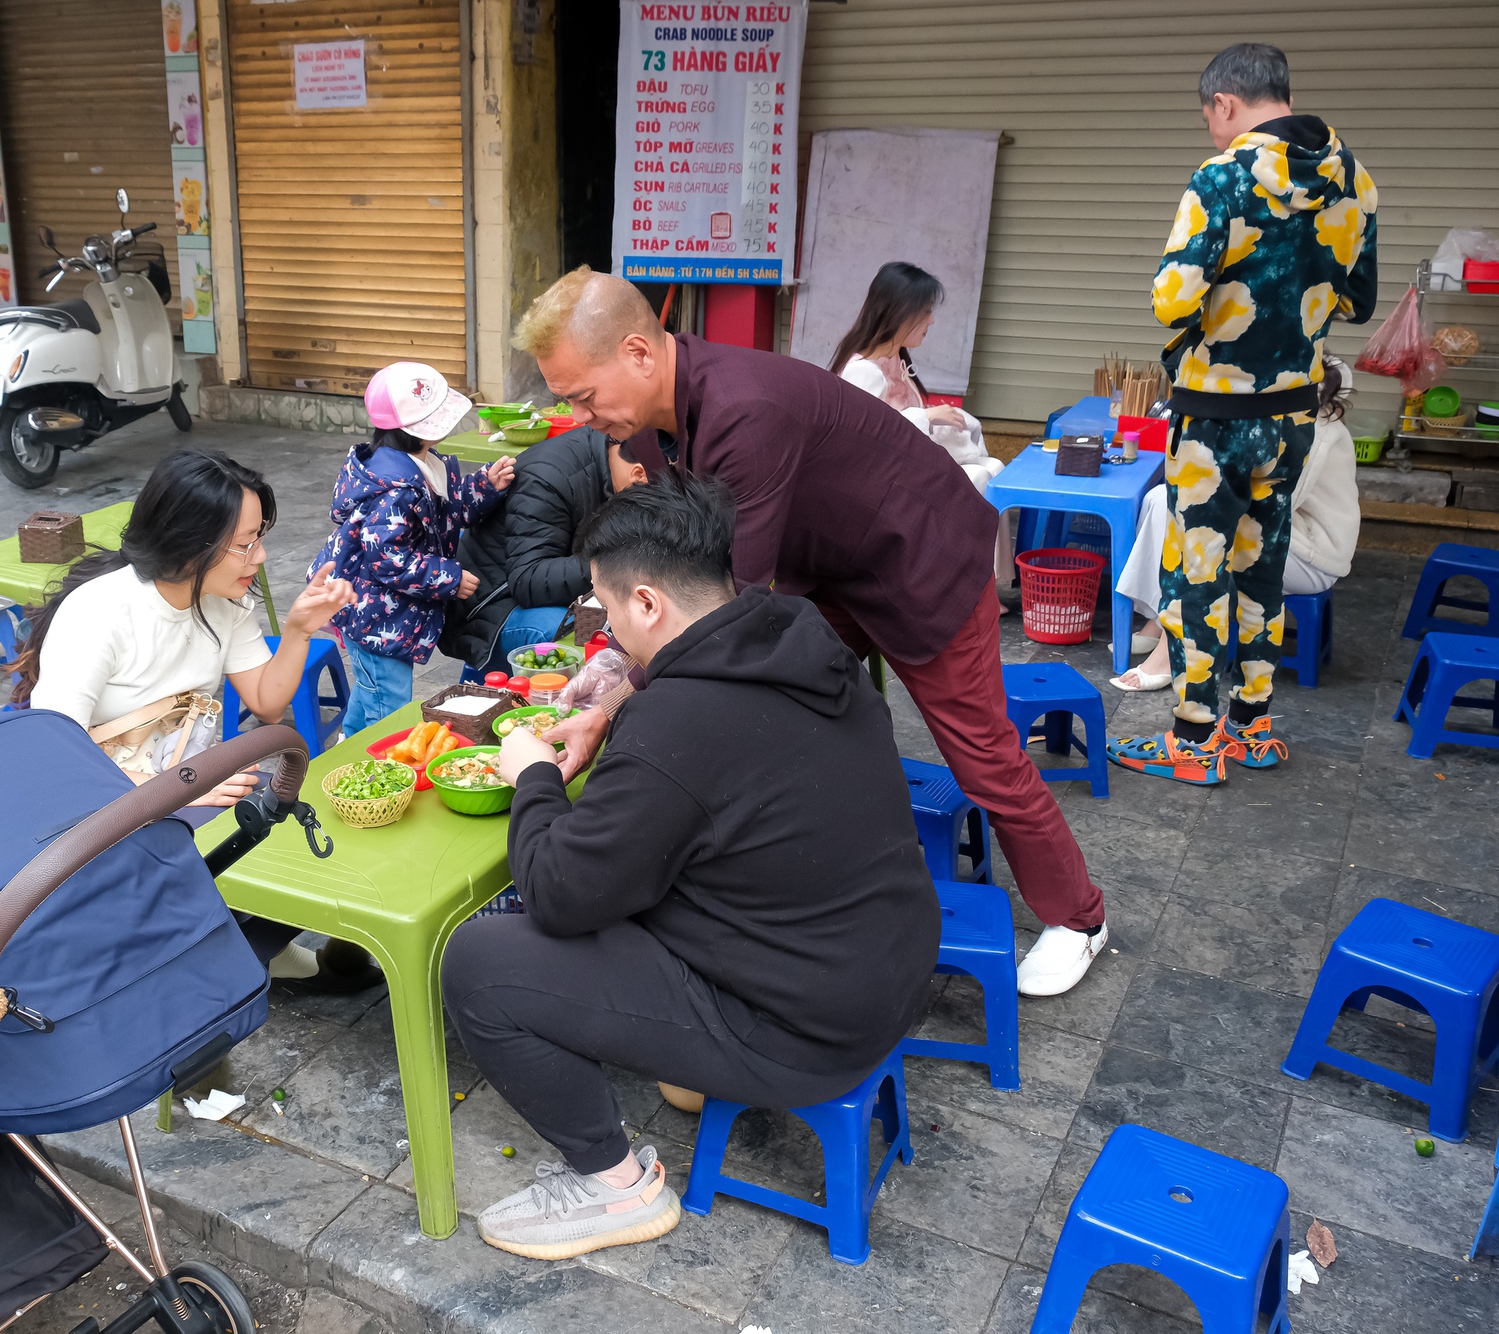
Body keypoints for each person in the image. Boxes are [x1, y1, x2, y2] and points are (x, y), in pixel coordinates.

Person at [514, 266, 1110, 997]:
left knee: (980, 752)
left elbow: (716, 611)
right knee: (783, 711)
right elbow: (668, 566)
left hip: (921, 557)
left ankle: (1080, 918)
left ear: (638, 353)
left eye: (582, 395)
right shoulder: (649, 424)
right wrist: (613, 659)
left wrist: (610, 707)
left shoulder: (744, 411)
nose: (581, 415)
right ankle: (805, 866)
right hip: (828, 567)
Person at [443, 473, 939, 1261]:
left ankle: (616, 1188)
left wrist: (532, 771)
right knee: (659, 863)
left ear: (647, 604)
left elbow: (560, 892)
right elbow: (707, 731)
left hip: (805, 1029)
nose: (605, 629)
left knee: (477, 960)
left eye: (607, 611)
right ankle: (691, 1065)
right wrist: (612, 707)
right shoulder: (796, 631)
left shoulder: (680, 728)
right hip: (886, 964)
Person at [1109, 42, 1377, 785]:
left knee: (1197, 576)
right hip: (1294, 414)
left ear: (1225, 103)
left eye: (1209, 119)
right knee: (1260, 570)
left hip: (1215, 417)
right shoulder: (1355, 180)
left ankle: (1195, 740)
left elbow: (1171, 300)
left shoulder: (1221, 179)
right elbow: (1358, 301)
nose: (1212, 132)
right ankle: (1255, 729)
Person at [10, 448, 369, 987]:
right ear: (189, 545)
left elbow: (268, 701)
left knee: (302, 818)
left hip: (188, 785)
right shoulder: (98, 614)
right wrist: (172, 791)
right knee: (259, 836)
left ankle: (260, 949)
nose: (261, 556)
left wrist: (298, 629)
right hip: (103, 805)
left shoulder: (223, 600)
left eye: (258, 538)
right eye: (246, 544)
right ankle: (234, 960)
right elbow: (50, 754)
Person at [1112, 357, 1359, 693]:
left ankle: (1172, 653)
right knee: (1160, 500)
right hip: (1273, 532)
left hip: (1309, 552)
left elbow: (1277, 500)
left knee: (1203, 538)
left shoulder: (1317, 428)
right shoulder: (1277, 412)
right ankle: (1159, 619)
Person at [314, 361, 514, 733]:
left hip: (380, 611)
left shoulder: (420, 464)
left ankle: (347, 743)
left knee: (373, 690)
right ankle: (373, 775)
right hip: (374, 615)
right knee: (388, 704)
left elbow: (446, 512)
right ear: (423, 430)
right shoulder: (395, 490)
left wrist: (484, 486)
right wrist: (449, 578)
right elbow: (389, 560)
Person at [831, 260, 1016, 591]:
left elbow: (899, 414)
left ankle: (983, 582)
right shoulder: (863, 371)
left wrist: (933, 416)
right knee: (977, 477)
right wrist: (927, 417)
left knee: (996, 468)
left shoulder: (895, 360)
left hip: (909, 464)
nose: (931, 320)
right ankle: (965, 586)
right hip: (885, 479)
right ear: (902, 313)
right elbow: (866, 436)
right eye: (926, 311)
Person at [443, 430, 649, 675]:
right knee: (579, 642)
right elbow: (529, 580)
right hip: (491, 607)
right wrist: (616, 562)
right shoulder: (548, 475)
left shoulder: (609, 461)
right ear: (639, 475)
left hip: (554, 594)